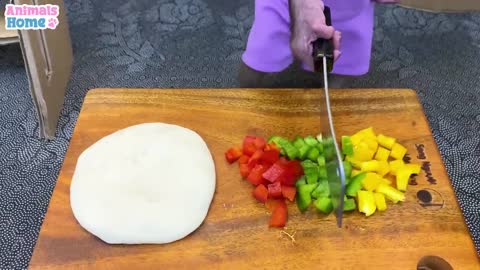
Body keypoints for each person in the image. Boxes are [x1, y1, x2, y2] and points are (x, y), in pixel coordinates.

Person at [238, 0, 398, 88]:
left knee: (345, 59)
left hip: (350, 7)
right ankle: (246, 96)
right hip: (283, 3)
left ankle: (331, 105)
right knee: (263, 51)